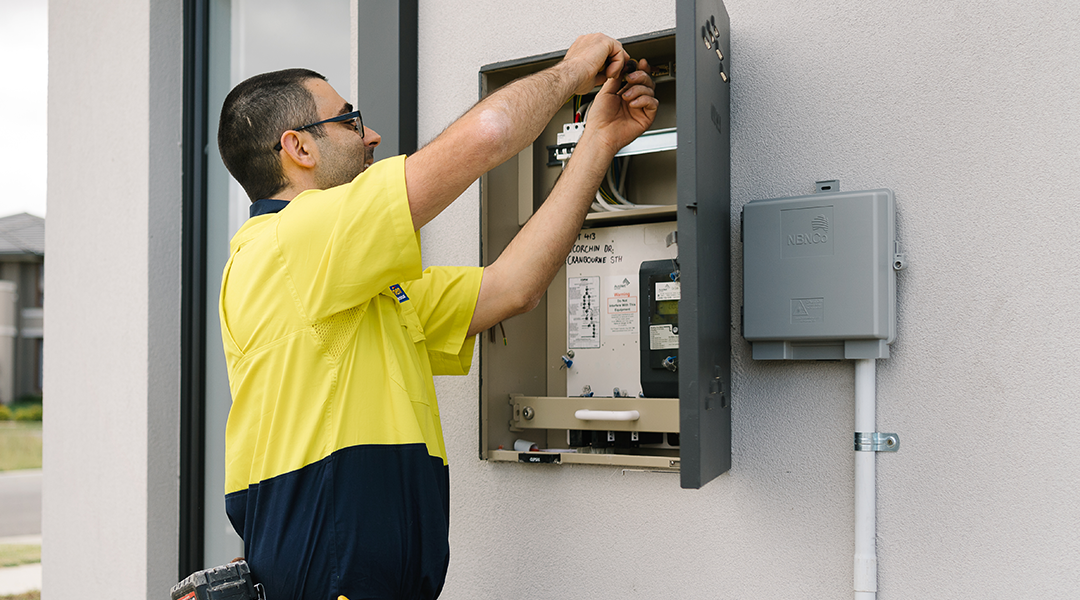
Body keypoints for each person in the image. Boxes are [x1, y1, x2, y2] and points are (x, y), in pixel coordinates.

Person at [215, 33, 657, 600]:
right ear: (298, 147)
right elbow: (488, 135)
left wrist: (599, 139)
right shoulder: (286, 243)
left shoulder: (354, 293)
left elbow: (511, 287)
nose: (372, 135)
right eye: (351, 121)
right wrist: (572, 72)